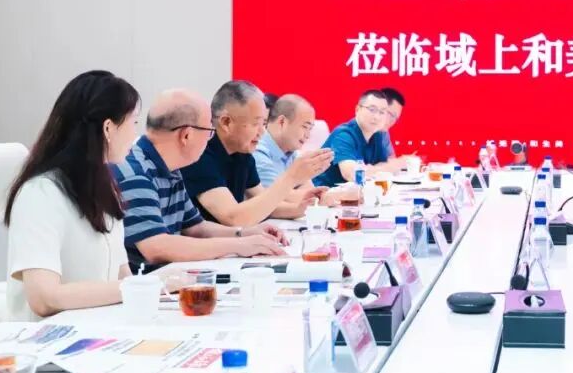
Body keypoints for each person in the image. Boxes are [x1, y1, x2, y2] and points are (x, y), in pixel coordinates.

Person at [5, 71, 146, 320]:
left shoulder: (105, 187)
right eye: (133, 122)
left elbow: (121, 273)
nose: (135, 135)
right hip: (51, 336)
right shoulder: (40, 194)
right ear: (108, 128)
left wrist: (150, 294)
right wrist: (138, 287)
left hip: (102, 327)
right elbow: (44, 299)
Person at [114, 89, 289, 273]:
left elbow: (195, 227)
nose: (210, 139)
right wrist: (240, 245)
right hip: (143, 284)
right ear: (186, 135)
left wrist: (245, 234)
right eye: (209, 131)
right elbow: (156, 247)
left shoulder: (170, 168)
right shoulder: (134, 172)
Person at [181, 81, 333, 226]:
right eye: (255, 124)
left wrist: (300, 209)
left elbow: (264, 203)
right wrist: (291, 177)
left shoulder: (243, 154)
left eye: (263, 124)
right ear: (226, 122)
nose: (262, 132)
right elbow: (233, 217)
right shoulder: (200, 154)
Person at [314, 90, 413, 186]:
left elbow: (387, 166)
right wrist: (390, 167)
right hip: (323, 193)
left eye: (382, 112)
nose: (377, 117)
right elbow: (351, 174)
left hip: (356, 193)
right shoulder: (343, 135)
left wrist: (393, 166)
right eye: (372, 110)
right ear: (357, 109)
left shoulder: (379, 135)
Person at [379, 87, 405, 159]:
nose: (392, 122)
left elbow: (391, 158)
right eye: (391, 115)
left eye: (396, 118)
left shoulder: (383, 133)